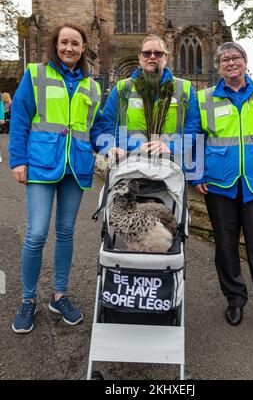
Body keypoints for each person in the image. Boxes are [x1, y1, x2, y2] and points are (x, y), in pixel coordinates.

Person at [192, 41, 253, 335]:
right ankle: (235, 299)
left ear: (246, 61)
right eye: (224, 59)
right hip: (220, 185)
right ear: (217, 67)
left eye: (235, 57)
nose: (230, 62)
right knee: (225, 248)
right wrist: (196, 174)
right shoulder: (204, 98)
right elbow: (194, 141)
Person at [9, 22, 102, 333]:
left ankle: (59, 295)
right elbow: (20, 119)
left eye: (75, 43)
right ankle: (27, 300)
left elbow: (97, 127)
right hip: (40, 163)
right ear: (56, 45)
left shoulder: (93, 85)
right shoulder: (36, 74)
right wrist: (18, 161)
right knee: (36, 233)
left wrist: (114, 146)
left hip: (75, 166)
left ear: (83, 48)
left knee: (65, 232)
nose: (69, 48)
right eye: (64, 42)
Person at [99, 34, 200, 162]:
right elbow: (108, 124)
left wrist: (172, 147)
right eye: (147, 53)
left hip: (171, 164)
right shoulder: (122, 88)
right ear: (140, 58)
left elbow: (193, 126)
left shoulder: (184, 88)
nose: (152, 56)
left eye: (158, 53)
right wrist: (130, 147)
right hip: (130, 162)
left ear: (166, 58)